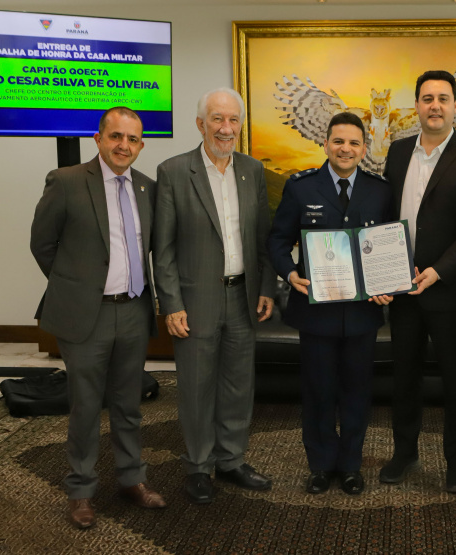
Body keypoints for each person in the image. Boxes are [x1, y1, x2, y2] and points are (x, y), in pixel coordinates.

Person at [30, 106, 166, 529]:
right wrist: (77, 286)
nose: (124, 145)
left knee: (128, 405)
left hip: (133, 312)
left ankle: (131, 480)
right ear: (99, 138)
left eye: (133, 139)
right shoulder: (67, 182)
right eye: (116, 136)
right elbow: (42, 244)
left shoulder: (148, 189)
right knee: (86, 407)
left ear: (141, 145)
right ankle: (81, 491)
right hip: (85, 316)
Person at [153, 88, 276, 504]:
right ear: (201, 124)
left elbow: (262, 238)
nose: (226, 129)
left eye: (233, 120)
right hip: (195, 300)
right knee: (196, 387)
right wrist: (170, 303)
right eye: (218, 120)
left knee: (239, 385)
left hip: (242, 296)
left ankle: (232, 460)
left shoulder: (252, 170)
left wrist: (265, 288)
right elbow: (163, 248)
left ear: (241, 125)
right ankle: (199, 466)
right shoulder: (173, 171)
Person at [380, 70, 456, 493]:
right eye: (427, 98)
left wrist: (438, 270)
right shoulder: (395, 153)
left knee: (455, 381)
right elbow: (385, 218)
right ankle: (404, 453)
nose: (435, 105)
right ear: (416, 105)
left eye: (443, 98)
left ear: (455, 106)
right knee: (403, 377)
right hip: (402, 288)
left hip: (449, 290)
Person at [268, 112, 393, 495]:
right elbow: (276, 240)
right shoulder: (302, 187)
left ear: (364, 149)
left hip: (361, 313)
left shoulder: (380, 190)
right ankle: (320, 465)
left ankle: (351, 466)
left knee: (357, 391)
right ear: (325, 144)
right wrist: (290, 274)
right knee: (319, 391)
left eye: (354, 142)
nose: (346, 149)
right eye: (338, 141)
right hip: (316, 311)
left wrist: (387, 282)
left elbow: (389, 245)